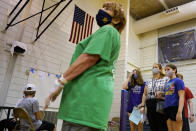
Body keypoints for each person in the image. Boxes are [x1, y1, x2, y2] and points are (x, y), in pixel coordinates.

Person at [44, 2, 126, 131]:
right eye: (102, 7)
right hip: (89, 103)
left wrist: (61, 82)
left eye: (107, 9)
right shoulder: (110, 34)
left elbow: (89, 58)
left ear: (116, 19)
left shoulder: (108, 30)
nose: (101, 9)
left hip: (84, 101)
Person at [139, 63, 168, 131]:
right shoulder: (149, 81)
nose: (154, 68)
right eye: (153, 67)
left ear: (160, 69)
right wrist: (143, 105)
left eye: (156, 67)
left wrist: (162, 94)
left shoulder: (166, 79)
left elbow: (169, 92)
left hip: (161, 103)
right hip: (150, 104)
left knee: (162, 125)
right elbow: (144, 94)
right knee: (152, 125)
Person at [164, 64, 185, 131]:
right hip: (167, 108)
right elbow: (169, 95)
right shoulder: (167, 83)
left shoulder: (178, 81)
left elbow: (181, 96)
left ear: (174, 70)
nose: (166, 71)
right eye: (165, 70)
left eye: (168, 69)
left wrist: (179, 112)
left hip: (175, 108)